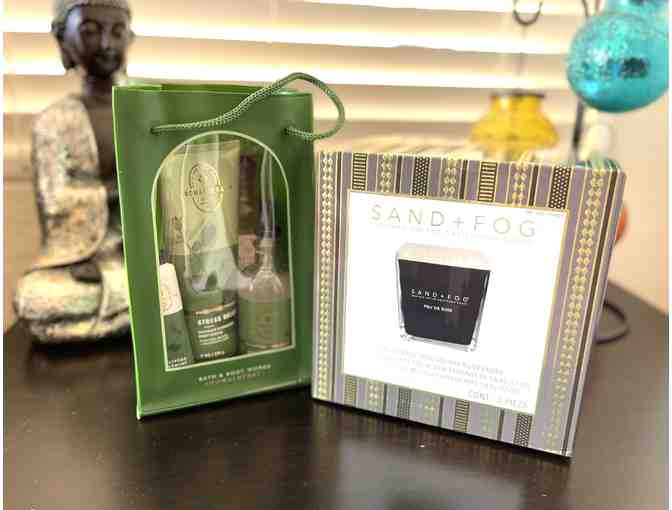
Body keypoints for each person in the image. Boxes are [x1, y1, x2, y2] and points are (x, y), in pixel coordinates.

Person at [14, 0, 134, 342]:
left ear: (131, 38)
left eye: (117, 31)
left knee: (197, 278)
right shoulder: (53, 121)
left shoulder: (151, 109)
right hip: (86, 254)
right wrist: (116, 191)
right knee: (35, 298)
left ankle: (123, 312)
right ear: (63, 42)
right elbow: (54, 200)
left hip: (146, 250)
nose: (107, 44)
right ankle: (142, 315)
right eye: (90, 32)